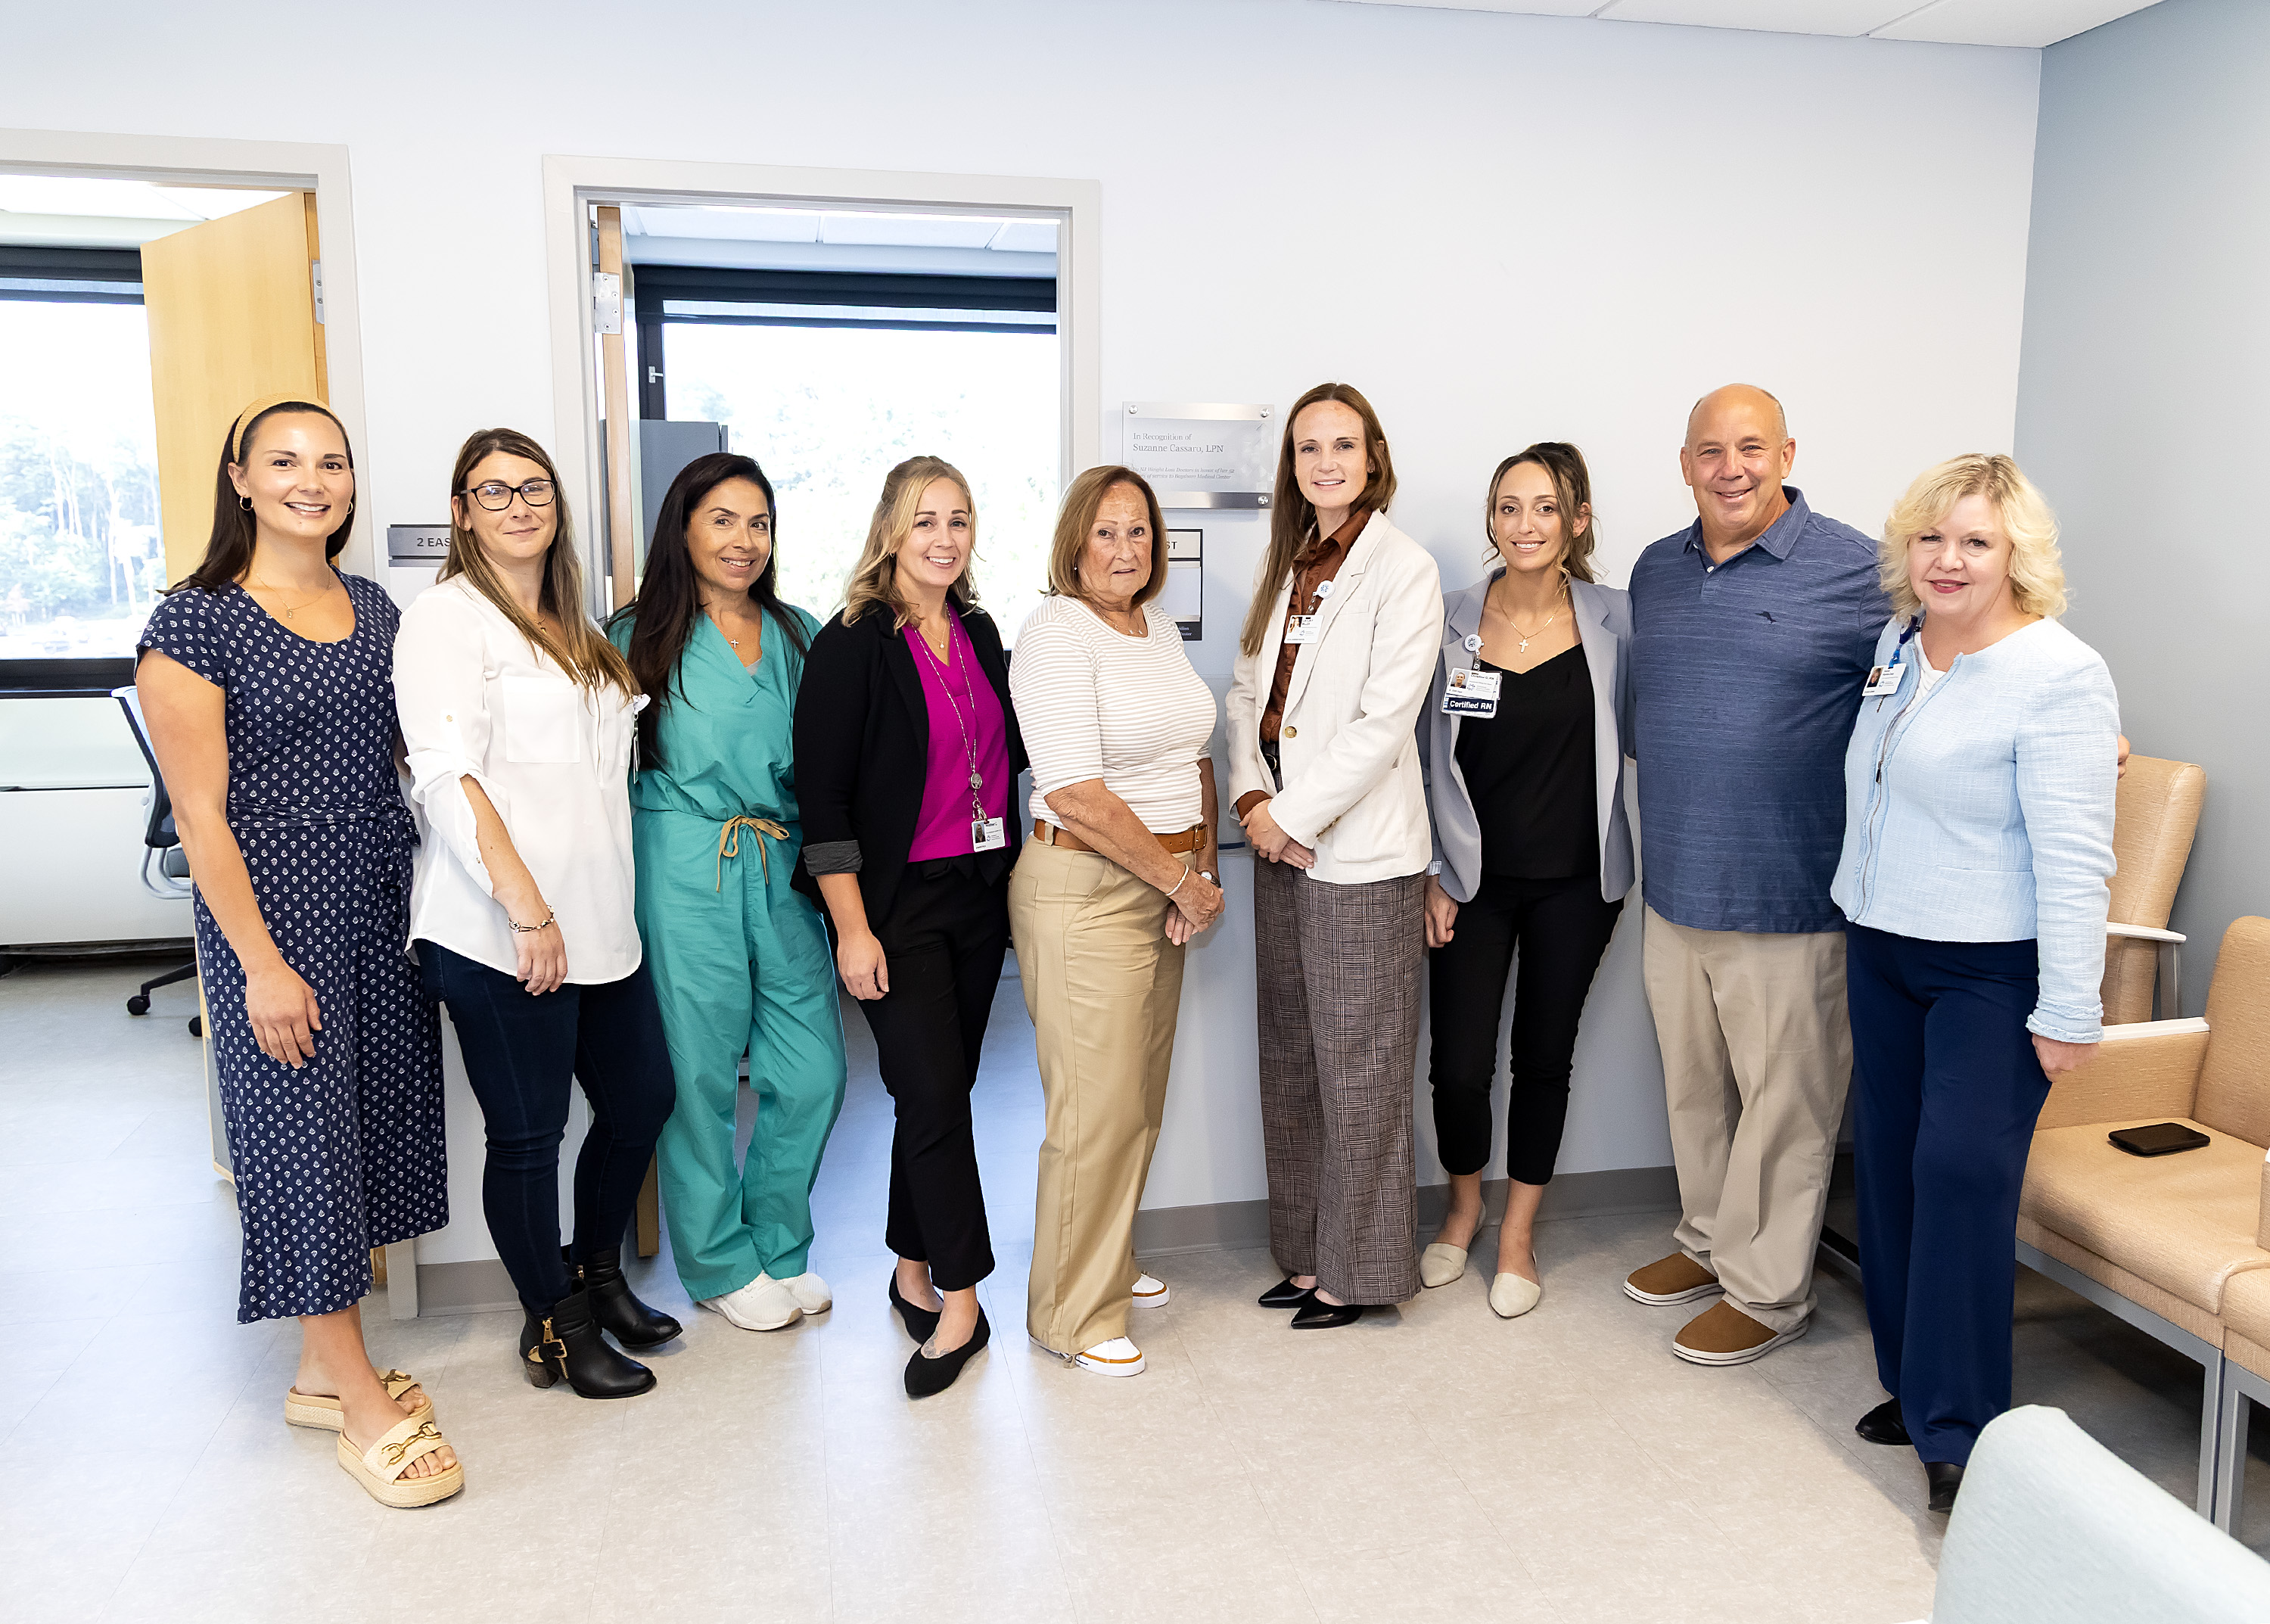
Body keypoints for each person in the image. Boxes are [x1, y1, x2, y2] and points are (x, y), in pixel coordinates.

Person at [135, 396, 459, 1507]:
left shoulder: (372, 606)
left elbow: (416, 752)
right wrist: (260, 967)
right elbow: (201, 817)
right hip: (272, 914)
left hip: (377, 896)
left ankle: (325, 1368)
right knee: (300, 1139)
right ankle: (353, 1391)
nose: (309, 481)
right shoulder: (195, 623)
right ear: (239, 478)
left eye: (330, 462)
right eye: (282, 461)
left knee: (366, 1123)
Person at [1832, 454, 2117, 1514]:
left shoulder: (2060, 674)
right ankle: (1915, 1387)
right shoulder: (1901, 645)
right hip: (1883, 943)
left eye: (1976, 542)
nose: (1948, 560)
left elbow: (2077, 856)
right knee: (1893, 1168)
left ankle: (1962, 1427)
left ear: (2016, 555)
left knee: (1959, 1173)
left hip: (1991, 966)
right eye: (1932, 537)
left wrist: (2070, 1009)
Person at [394, 428, 678, 1400]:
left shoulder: (575, 625)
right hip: (500, 929)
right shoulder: (447, 620)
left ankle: (597, 1277)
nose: (519, 505)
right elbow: (445, 774)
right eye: (494, 491)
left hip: (597, 922)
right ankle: (556, 1324)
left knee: (641, 1102)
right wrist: (524, 908)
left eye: (536, 488)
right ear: (462, 512)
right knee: (528, 1136)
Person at [1621, 384, 1889, 1366]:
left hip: (1790, 894)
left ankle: (1769, 1292)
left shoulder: (1862, 570)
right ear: (1684, 463)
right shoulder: (1656, 569)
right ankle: (1707, 1239)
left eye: (1750, 447)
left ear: (1787, 453)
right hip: (1675, 885)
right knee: (1694, 1090)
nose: (1729, 468)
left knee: (1786, 1105)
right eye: (1710, 450)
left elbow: (1958, 649)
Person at [793, 456, 1028, 1397]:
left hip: (978, 894)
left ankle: (910, 1267)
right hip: (894, 908)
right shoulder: (851, 642)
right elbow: (822, 803)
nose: (944, 537)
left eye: (959, 519)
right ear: (891, 529)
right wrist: (852, 930)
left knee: (940, 1091)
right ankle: (962, 1302)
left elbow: (1009, 757)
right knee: (935, 1096)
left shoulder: (979, 630)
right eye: (925, 519)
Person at [608, 453, 844, 1334]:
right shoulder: (633, 635)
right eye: (722, 519)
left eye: (759, 523)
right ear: (682, 528)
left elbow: (833, 763)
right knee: (698, 1072)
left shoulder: (799, 633)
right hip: (682, 860)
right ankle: (716, 1262)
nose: (744, 540)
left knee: (813, 1068)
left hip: (780, 859)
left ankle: (778, 1242)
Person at [1226, 382, 1444, 1329]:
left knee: (1361, 1071)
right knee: (1292, 1059)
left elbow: (1383, 724)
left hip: (1356, 856)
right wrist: (1250, 799)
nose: (1325, 463)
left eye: (1343, 446)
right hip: (1277, 841)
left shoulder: (1405, 569)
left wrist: (1290, 817)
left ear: (1372, 458)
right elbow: (1246, 693)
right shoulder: (1287, 564)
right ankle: (1309, 1251)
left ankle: (1361, 1271)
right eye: (1308, 448)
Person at [1008, 466, 1226, 1377]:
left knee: (1136, 1100)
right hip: (1086, 890)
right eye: (1106, 532)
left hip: (1163, 882)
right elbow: (1074, 792)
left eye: (1140, 531)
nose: (1126, 549)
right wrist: (1178, 878)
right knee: (1093, 1111)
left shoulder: (1156, 627)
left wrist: (1199, 869)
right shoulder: (1056, 634)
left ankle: (1103, 1256)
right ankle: (1070, 1311)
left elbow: (1192, 757)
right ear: (1075, 542)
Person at [1418, 443, 1632, 1320]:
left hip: (1577, 885)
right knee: (1459, 1066)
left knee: (1544, 1059)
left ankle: (1518, 1235)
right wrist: (1433, 871)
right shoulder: (1448, 619)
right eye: (1508, 507)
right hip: (1471, 883)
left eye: (1545, 507)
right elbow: (1419, 758)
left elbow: (1665, 725)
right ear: (1491, 520)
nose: (1525, 524)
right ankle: (1463, 1207)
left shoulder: (1619, 620)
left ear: (1577, 520)